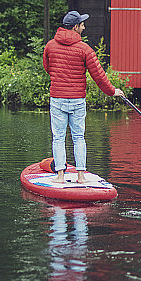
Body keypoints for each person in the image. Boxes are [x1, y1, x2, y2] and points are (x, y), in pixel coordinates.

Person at [43, 10, 125, 183]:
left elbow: (48, 67)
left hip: (57, 98)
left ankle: (60, 176)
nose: (84, 27)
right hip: (77, 100)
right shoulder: (84, 49)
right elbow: (99, 76)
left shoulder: (50, 46)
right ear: (75, 27)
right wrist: (112, 91)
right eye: (82, 24)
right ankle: (81, 176)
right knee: (78, 137)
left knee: (58, 138)